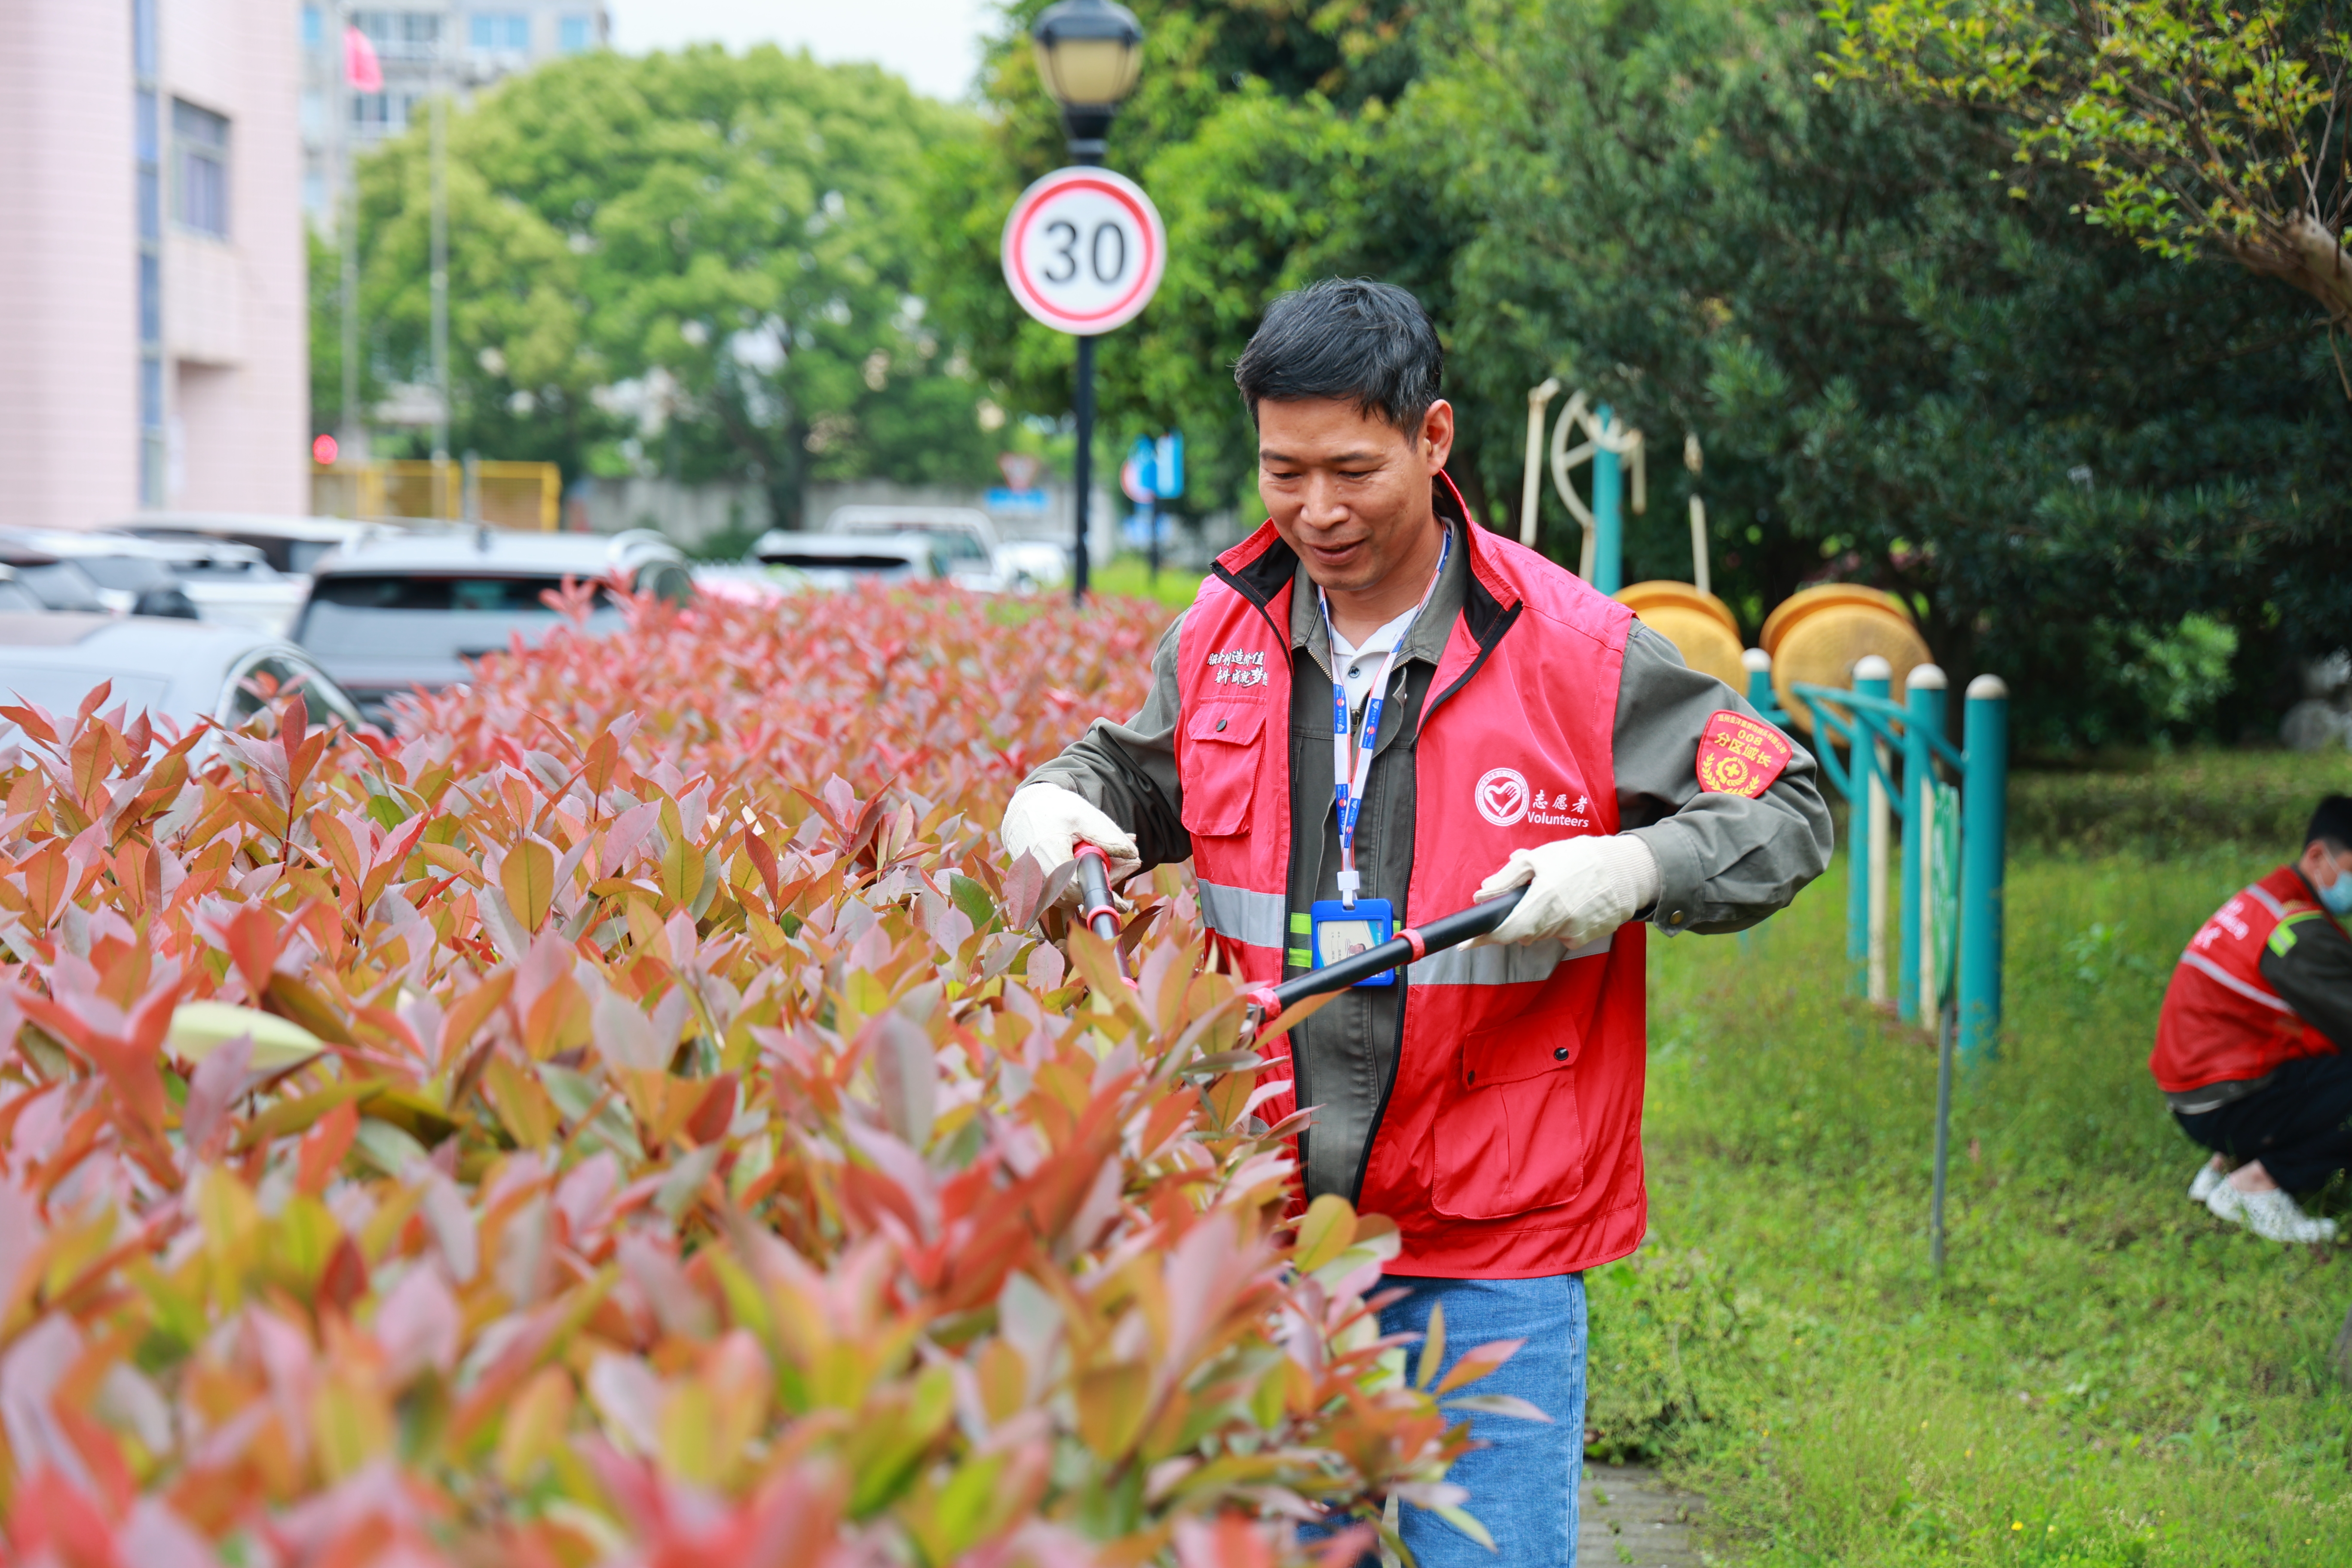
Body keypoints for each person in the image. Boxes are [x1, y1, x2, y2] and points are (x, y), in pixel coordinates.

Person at [1000, 279, 1831, 1565]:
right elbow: (1135, 773)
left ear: (1433, 441)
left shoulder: (1575, 649)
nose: (1316, 512)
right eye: (1284, 472)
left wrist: (1637, 863)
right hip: (1267, 1237)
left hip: (1491, 1246)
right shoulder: (1222, 633)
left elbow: (1785, 801)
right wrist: (1060, 804)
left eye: (1351, 470)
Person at [2151, 796, 2352, 1245]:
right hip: (2222, 1098)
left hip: (2201, 1089)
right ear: (2319, 857)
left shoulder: (2271, 900)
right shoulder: (2296, 931)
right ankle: (2257, 1184)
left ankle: (2227, 1167)